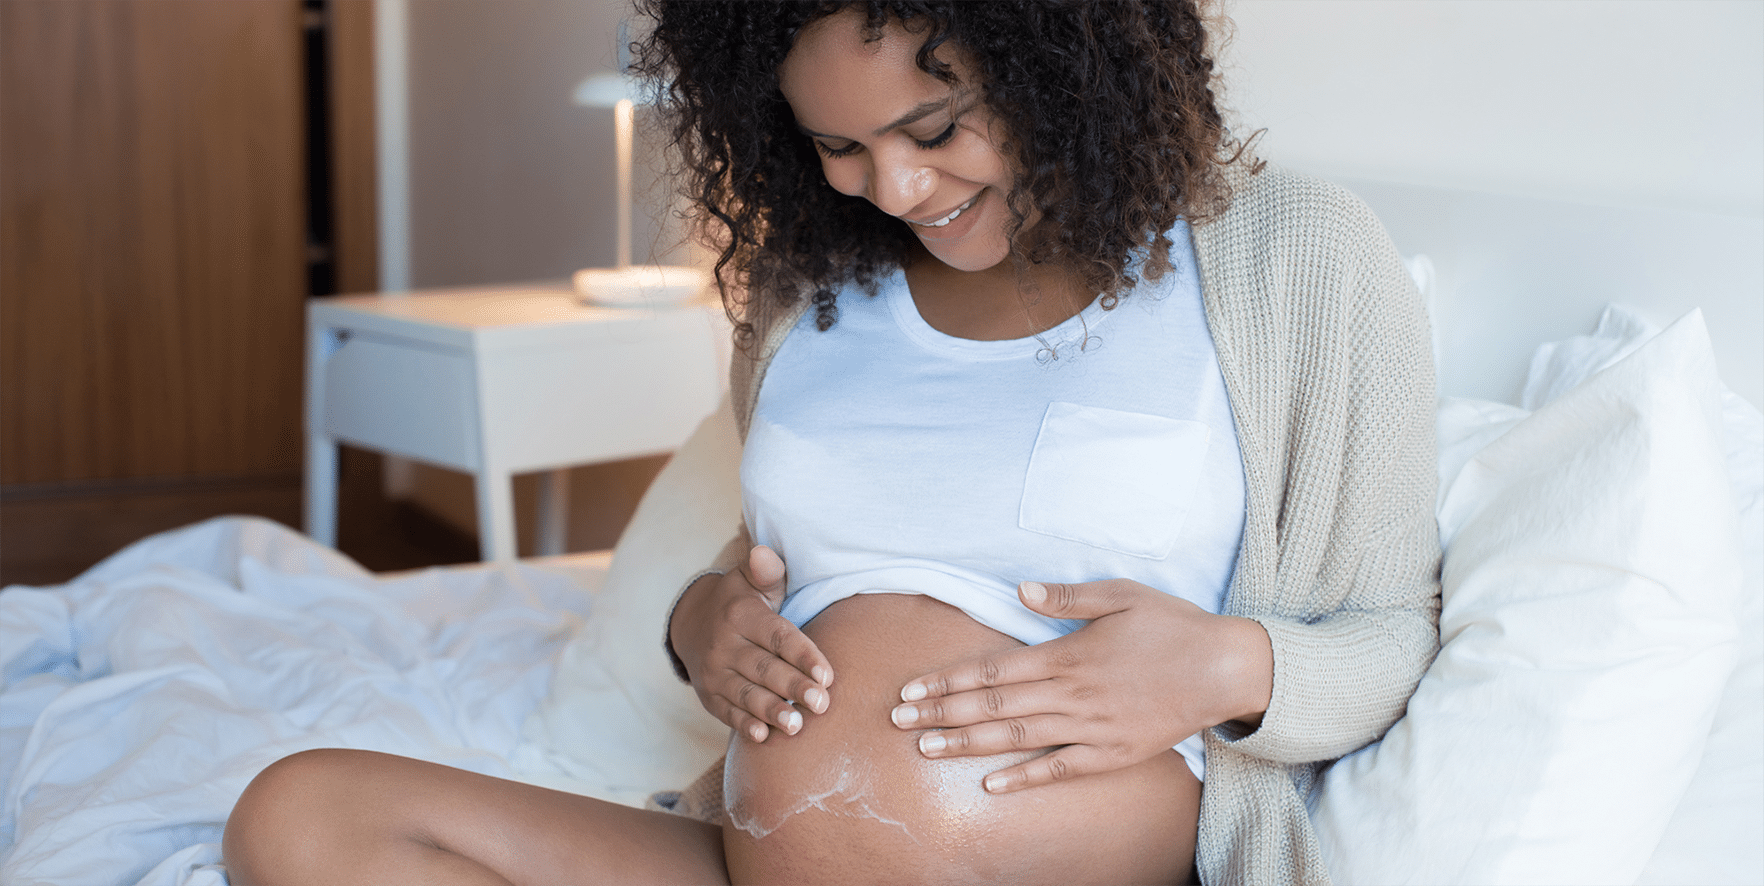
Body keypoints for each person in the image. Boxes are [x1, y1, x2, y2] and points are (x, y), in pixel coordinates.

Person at [222, 2, 1440, 884]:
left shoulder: (1294, 257)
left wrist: (1228, 668)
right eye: (842, 148)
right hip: (763, 857)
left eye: (937, 128)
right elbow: (773, 558)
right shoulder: (805, 292)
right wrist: (698, 623)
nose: (897, 189)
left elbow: (1394, 629)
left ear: (1060, 61)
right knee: (301, 817)